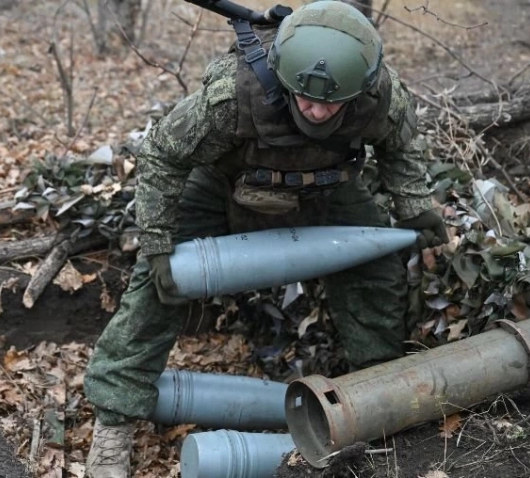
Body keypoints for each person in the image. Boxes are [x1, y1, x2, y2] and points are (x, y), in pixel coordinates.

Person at [83, 2, 447, 476]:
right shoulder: (232, 96)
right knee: (157, 288)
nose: (317, 111)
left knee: (376, 279)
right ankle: (113, 423)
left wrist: (415, 206)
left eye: (331, 103)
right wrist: (155, 242)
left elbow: (400, 148)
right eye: (306, 99)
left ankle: (377, 403)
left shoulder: (380, 95)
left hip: (326, 189)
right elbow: (162, 155)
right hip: (221, 187)